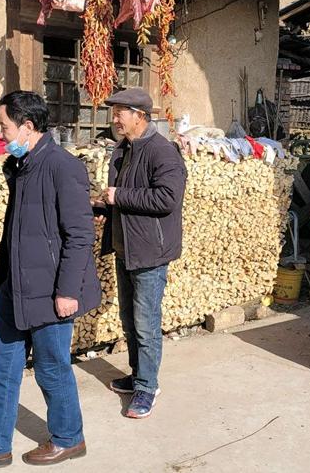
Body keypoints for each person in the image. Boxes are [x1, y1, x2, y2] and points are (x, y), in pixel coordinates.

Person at [0, 91, 101, 470]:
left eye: (5, 127)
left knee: (51, 369)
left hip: (50, 292)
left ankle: (68, 438)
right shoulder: (21, 166)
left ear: (28, 127)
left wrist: (67, 291)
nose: (1, 135)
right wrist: (2, 269)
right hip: (15, 289)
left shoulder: (63, 167)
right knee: (1, 368)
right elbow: (15, 228)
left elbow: (80, 236)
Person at [97, 87, 186, 419]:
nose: (115, 118)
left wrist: (119, 196)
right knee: (129, 320)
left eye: (120, 112)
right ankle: (138, 376)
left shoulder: (162, 152)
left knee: (146, 323)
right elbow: (124, 197)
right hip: (126, 249)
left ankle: (148, 387)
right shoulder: (124, 149)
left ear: (140, 116)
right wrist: (104, 207)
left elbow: (167, 199)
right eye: (115, 112)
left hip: (150, 253)